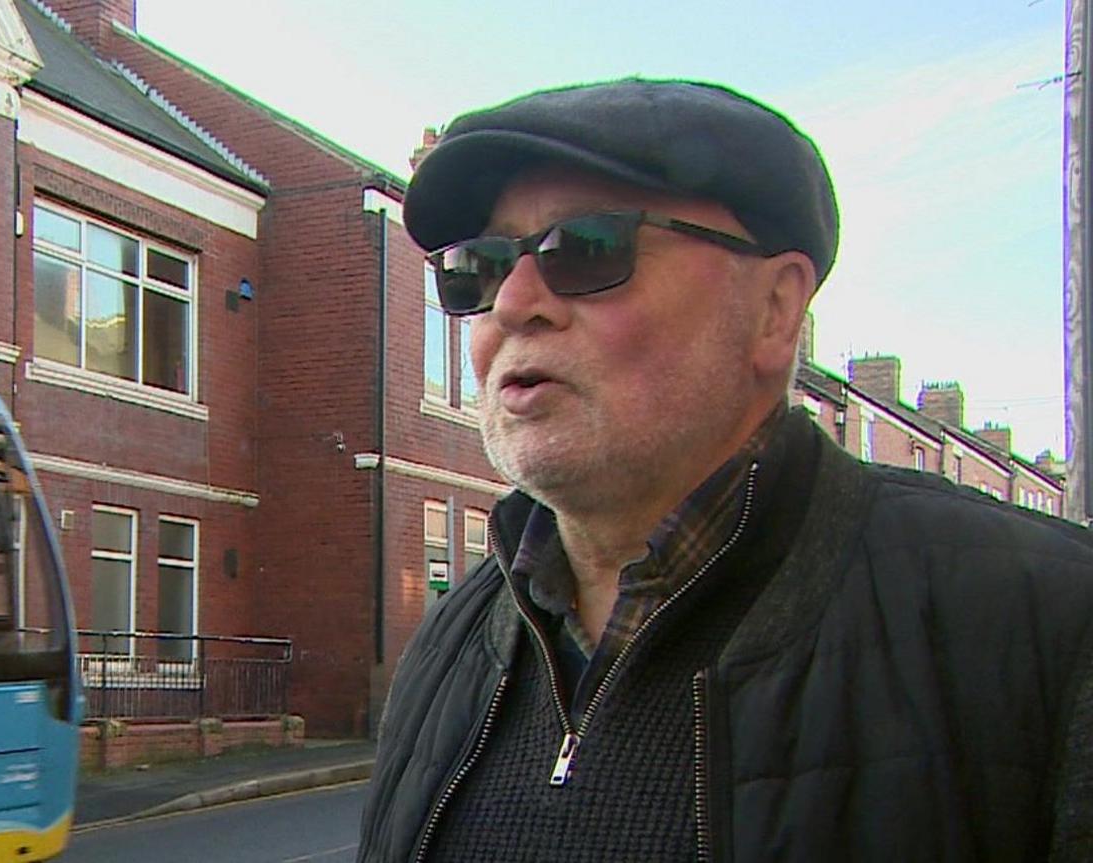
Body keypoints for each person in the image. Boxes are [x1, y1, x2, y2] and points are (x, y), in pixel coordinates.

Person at [356, 78, 1093, 862]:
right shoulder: (448, 641)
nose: (512, 303)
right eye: (479, 266)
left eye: (589, 246)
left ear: (776, 312)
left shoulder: (1046, 626)